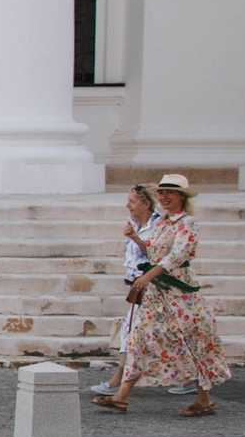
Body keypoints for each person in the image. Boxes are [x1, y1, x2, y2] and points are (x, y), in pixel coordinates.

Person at [94, 173, 229, 417]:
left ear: (181, 197)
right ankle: (122, 396)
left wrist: (148, 276)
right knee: (138, 338)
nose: (164, 197)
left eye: (170, 193)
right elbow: (154, 253)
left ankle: (204, 399)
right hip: (155, 295)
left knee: (192, 341)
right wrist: (136, 239)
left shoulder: (187, 223)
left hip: (178, 293)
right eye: (162, 193)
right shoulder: (161, 223)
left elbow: (177, 256)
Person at [92, 184, 157, 393]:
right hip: (136, 286)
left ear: (146, 204)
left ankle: (118, 381)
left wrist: (135, 238)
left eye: (132, 201)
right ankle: (195, 378)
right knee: (133, 331)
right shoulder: (134, 224)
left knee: (130, 331)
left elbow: (157, 255)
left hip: (152, 287)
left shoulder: (157, 226)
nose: (127, 205)